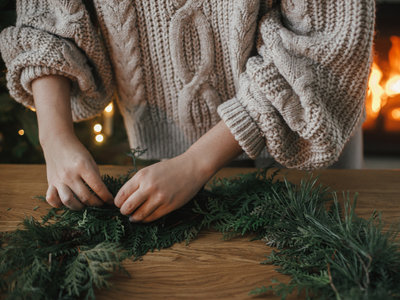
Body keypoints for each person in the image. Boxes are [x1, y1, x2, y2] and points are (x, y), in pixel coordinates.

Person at [0, 0, 376, 223]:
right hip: (159, 157)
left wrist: (197, 162)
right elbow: (45, 18)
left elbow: (326, 47)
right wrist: (55, 137)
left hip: (300, 142)